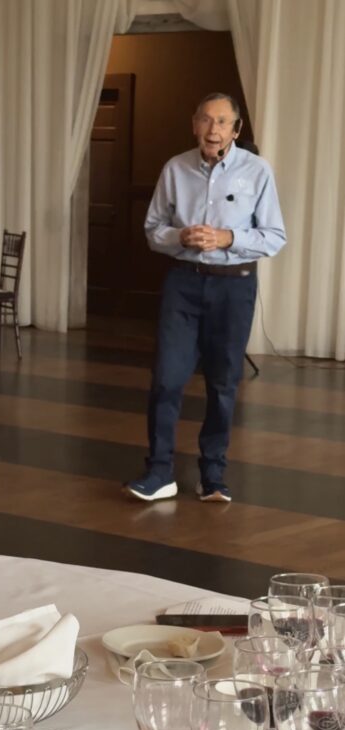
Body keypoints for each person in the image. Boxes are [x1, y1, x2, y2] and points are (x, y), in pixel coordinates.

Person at [126, 93, 286, 504]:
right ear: (194, 124)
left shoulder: (257, 171)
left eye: (222, 122)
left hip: (234, 286)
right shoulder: (175, 168)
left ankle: (212, 475)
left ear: (236, 130)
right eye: (205, 120)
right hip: (183, 283)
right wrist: (178, 236)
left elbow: (274, 237)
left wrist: (228, 237)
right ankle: (159, 472)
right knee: (166, 378)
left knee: (223, 383)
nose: (213, 130)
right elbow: (152, 229)